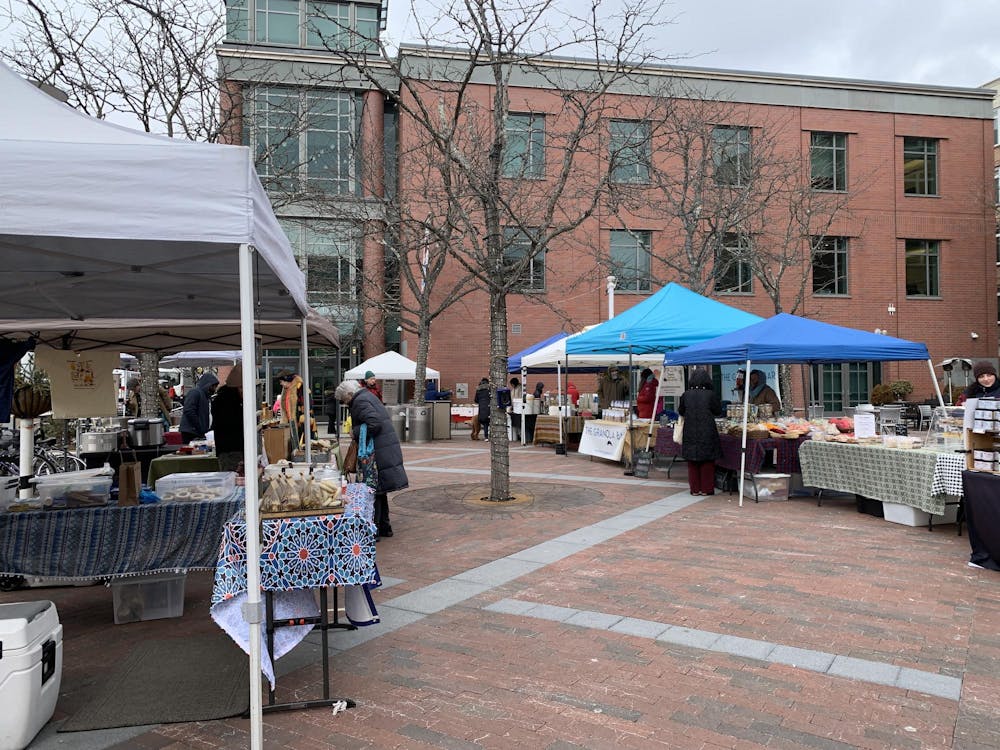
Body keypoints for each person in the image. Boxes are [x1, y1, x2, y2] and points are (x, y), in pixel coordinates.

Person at [335, 378, 408, 538]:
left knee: (372, 489)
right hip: (383, 450)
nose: (345, 404)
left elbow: (374, 423)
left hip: (376, 453)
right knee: (379, 491)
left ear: (349, 394)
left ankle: (373, 529)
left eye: (344, 400)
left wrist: (355, 431)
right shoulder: (367, 396)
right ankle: (384, 527)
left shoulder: (360, 401)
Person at [678, 368, 723, 496]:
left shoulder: (686, 395)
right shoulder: (711, 394)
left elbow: (681, 411)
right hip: (707, 429)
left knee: (692, 461)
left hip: (690, 429)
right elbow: (718, 411)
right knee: (707, 461)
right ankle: (706, 489)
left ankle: (695, 489)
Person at [211, 365, 244, 472]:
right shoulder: (230, 402)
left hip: (226, 448)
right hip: (232, 449)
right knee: (232, 477)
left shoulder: (221, 398)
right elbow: (235, 425)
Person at [179, 372, 219, 444]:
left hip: (198, 431)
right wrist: (199, 426)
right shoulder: (195, 392)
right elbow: (189, 410)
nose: (215, 389)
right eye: (214, 386)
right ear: (209, 385)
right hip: (191, 432)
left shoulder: (206, 396)